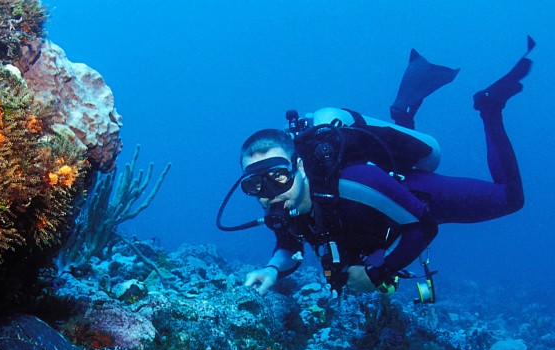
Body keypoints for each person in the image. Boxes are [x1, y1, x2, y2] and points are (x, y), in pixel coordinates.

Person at [228, 40, 534, 297]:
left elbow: (425, 225)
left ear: (299, 167)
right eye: (255, 185)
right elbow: (288, 245)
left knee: (510, 199)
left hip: (413, 194)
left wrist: (378, 274)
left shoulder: (354, 181)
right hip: (379, 221)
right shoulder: (281, 202)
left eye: (278, 177)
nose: (269, 193)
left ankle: (490, 108)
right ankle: (403, 112)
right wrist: (271, 270)